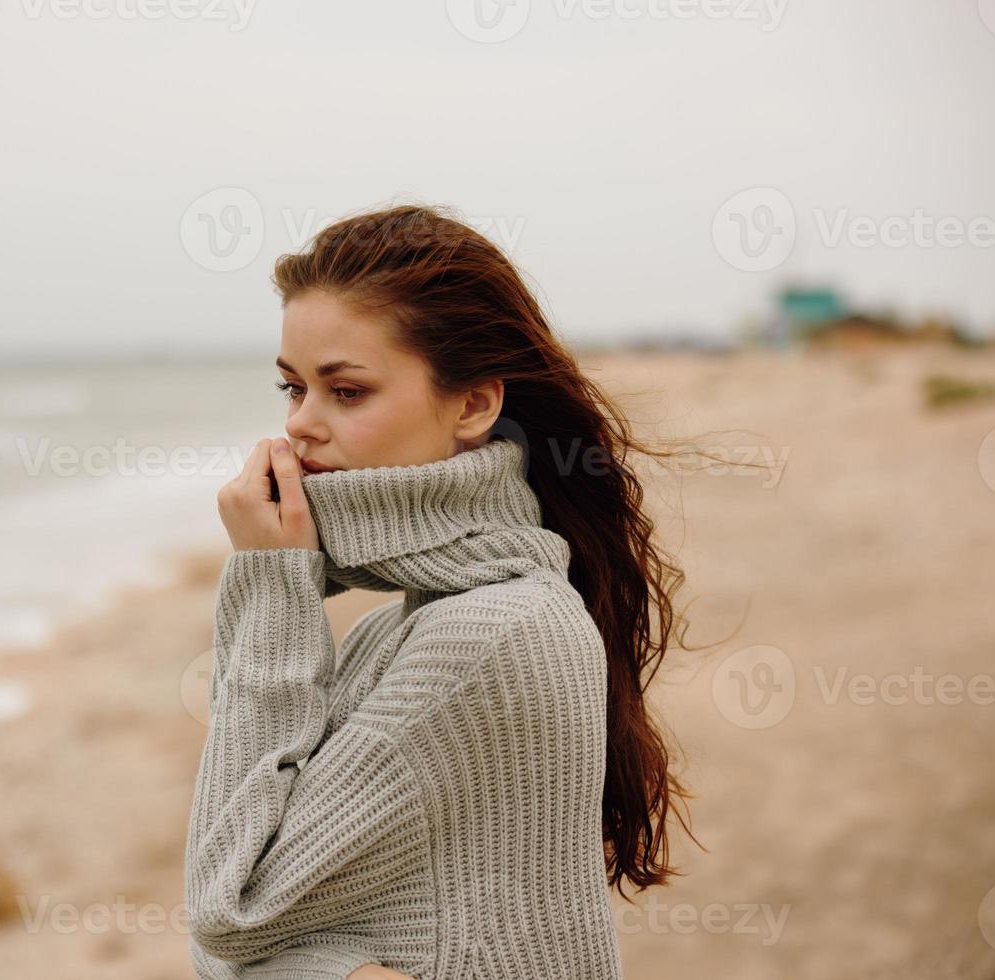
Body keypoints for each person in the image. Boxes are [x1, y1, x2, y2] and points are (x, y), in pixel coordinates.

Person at [184, 203, 697, 979]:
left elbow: (228, 907)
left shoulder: (494, 633)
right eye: (293, 389)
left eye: (346, 392)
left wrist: (270, 583)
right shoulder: (403, 629)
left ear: (473, 405)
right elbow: (235, 934)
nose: (301, 429)